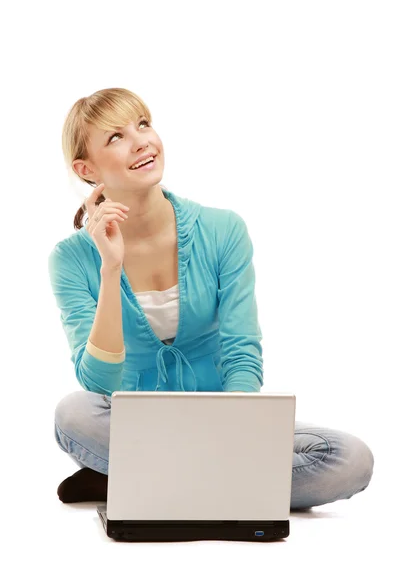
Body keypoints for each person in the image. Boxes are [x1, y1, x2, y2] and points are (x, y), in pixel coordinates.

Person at [48, 87, 374, 507]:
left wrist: (232, 432)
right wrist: (111, 270)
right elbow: (98, 384)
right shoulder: (71, 259)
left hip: (225, 422)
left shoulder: (222, 230)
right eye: (116, 137)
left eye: (143, 124)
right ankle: (221, 488)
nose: (142, 140)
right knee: (73, 413)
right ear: (86, 169)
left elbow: (242, 351)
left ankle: (137, 480)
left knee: (350, 459)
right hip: (135, 428)